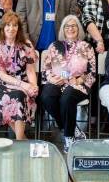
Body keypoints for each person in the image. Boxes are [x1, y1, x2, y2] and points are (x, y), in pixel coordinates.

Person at [40, 15, 96, 151]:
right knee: (46, 96)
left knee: (67, 97)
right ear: (63, 30)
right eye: (67, 26)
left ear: (78, 29)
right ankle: (71, 128)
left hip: (78, 83)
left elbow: (91, 72)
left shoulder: (86, 46)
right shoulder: (54, 46)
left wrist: (78, 80)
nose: (70, 29)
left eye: (74, 26)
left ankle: (68, 138)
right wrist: (52, 79)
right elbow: (46, 68)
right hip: (57, 81)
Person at [0, 12, 38, 140]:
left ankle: (20, 140)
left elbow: (31, 70)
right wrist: (24, 85)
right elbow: (2, 75)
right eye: (8, 25)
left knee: (19, 96)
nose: (11, 28)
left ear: (19, 28)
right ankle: (22, 140)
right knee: (7, 98)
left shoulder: (26, 45)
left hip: (24, 81)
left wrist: (34, 85)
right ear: (2, 28)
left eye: (15, 25)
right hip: (3, 83)